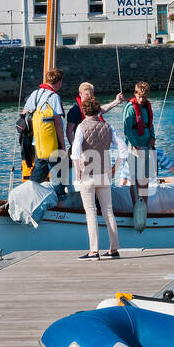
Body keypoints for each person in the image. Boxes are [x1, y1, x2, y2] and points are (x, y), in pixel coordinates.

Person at [71, 96, 122, 260]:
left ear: (83, 111)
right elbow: (122, 148)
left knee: (91, 212)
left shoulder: (81, 127)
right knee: (108, 211)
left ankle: (94, 251)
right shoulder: (108, 127)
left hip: (88, 175)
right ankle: (114, 249)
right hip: (105, 175)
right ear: (99, 110)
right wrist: (116, 167)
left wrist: (78, 170)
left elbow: (75, 151)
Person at [22, 67, 67, 195]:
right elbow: (57, 122)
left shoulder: (34, 94)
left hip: (37, 142)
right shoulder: (54, 97)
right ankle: (60, 202)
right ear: (58, 82)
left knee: (39, 169)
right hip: (52, 141)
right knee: (57, 172)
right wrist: (63, 145)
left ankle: (28, 194)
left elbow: (24, 114)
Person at [123, 80, 156, 230]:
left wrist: (153, 137)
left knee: (145, 178)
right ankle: (135, 204)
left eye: (144, 97)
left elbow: (150, 125)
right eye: (139, 96)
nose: (141, 99)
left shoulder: (147, 107)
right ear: (135, 93)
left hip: (147, 145)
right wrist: (135, 145)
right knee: (134, 178)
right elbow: (127, 130)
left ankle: (145, 206)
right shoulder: (130, 109)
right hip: (134, 147)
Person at [65, 81, 123, 149]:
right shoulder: (75, 111)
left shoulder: (93, 107)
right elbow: (69, 133)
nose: (89, 97)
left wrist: (116, 101)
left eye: (91, 94)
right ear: (80, 94)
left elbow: (102, 109)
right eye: (87, 94)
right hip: (82, 147)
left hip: (96, 145)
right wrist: (75, 148)